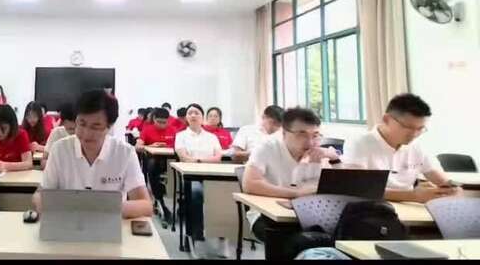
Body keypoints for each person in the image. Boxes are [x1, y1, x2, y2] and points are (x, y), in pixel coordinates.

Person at [32, 90, 152, 219]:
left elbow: (146, 205)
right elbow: (39, 195)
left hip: (108, 224)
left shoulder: (125, 153)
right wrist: (48, 204)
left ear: (109, 126)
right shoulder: (60, 149)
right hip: (68, 222)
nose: (86, 133)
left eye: (95, 127)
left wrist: (105, 208)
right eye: (82, 124)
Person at [242, 108, 341, 258]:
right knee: (297, 241)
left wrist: (334, 159)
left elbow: (344, 187)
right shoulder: (267, 148)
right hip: (268, 217)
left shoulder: (318, 153)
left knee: (346, 234)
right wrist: (296, 194)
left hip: (312, 215)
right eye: (302, 134)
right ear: (284, 133)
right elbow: (250, 183)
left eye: (315, 135)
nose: (310, 142)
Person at [342, 93, 462, 203]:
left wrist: (451, 188)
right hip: (372, 208)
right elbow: (358, 189)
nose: (414, 134)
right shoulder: (359, 143)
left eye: (420, 129)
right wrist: (414, 196)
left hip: (409, 208)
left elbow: (442, 180)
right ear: (386, 119)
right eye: (408, 127)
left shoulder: (417, 146)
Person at [174, 103, 224, 240]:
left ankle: (222, 232)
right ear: (186, 117)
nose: (193, 115)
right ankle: (196, 232)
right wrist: (204, 160)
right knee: (196, 192)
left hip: (213, 175)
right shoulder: (181, 136)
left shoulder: (212, 137)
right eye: (190, 113)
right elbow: (184, 157)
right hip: (191, 175)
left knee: (226, 193)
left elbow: (218, 157)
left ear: (203, 117)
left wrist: (198, 160)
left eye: (196, 113)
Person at [136, 107, 177, 221]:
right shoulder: (147, 130)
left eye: (165, 122)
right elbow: (138, 146)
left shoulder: (173, 130)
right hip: (154, 160)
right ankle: (159, 199)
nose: (162, 125)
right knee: (152, 165)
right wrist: (151, 146)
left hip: (170, 160)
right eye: (159, 122)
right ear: (154, 119)